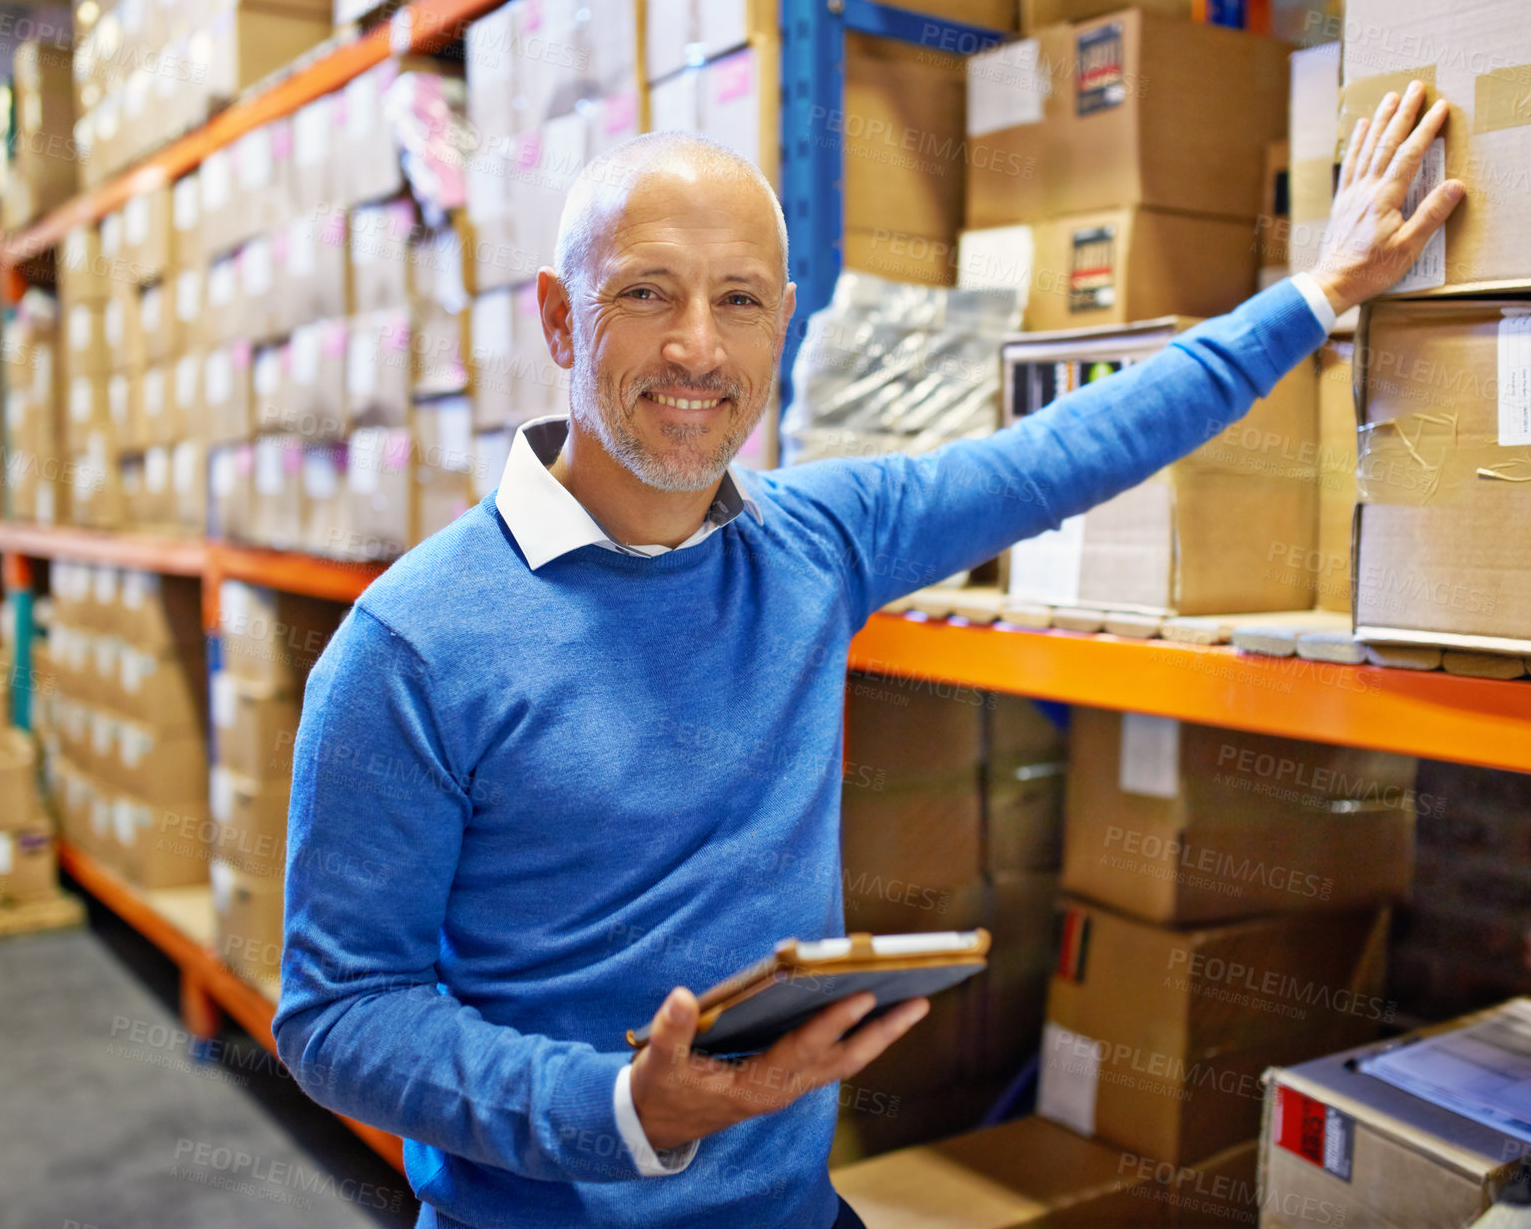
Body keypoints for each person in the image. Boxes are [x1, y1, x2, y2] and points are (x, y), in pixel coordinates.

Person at [272, 82, 1462, 1229]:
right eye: (646, 293)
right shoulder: (411, 646)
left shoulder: (816, 543)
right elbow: (339, 1016)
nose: (696, 348)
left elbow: (1069, 448)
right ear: (554, 314)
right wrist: (618, 1110)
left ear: (782, 319)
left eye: (738, 301)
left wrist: (1318, 291)